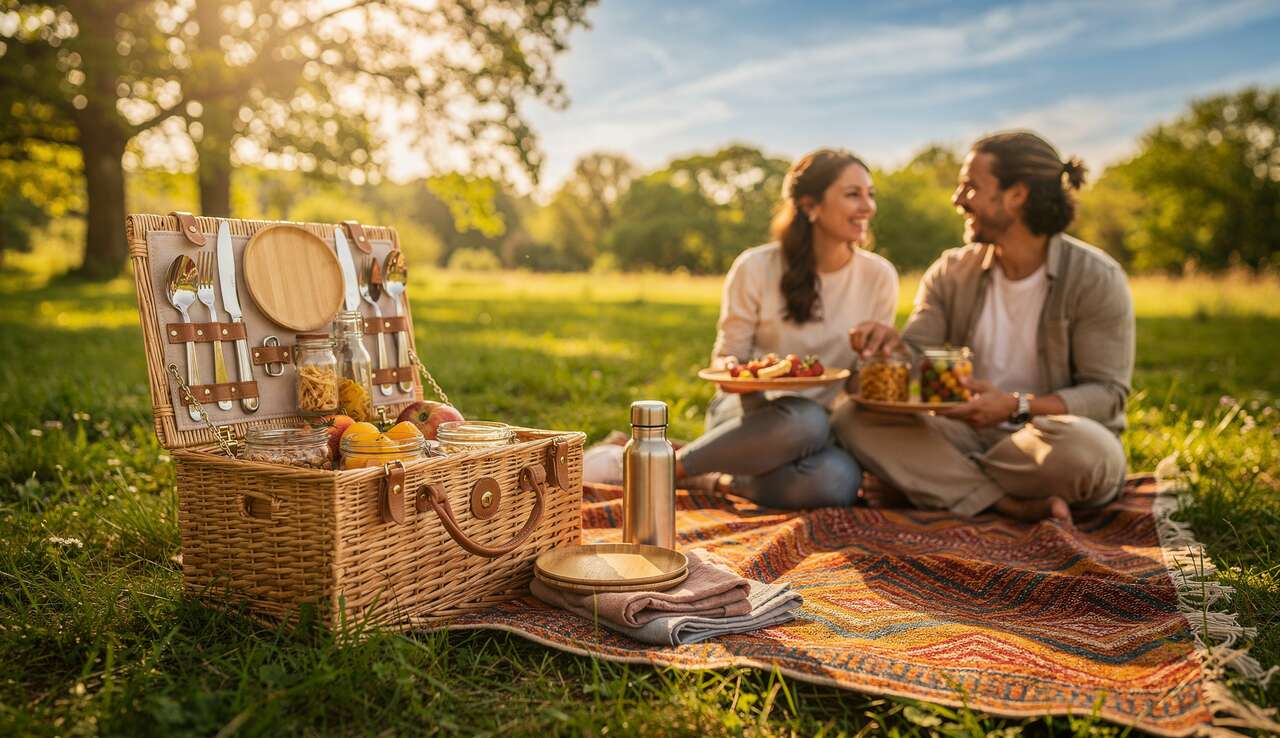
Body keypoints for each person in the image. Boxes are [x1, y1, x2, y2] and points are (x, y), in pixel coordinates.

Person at [832, 130, 1134, 526]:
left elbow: (1107, 394)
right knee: (850, 417)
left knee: (1087, 454)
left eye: (970, 187)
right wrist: (889, 350)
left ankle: (935, 482)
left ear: (1016, 195)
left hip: (1043, 439)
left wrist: (1013, 405)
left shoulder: (1096, 277)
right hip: (958, 430)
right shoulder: (952, 271)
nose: (958, 199)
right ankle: (1005, 503)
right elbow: (916, 355)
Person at [673, 148, 900, 509]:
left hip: (825, 425)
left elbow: (858, 385)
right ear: (810, 205)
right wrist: (748, 378)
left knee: (836, 483)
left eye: (870, 194)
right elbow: (727, 359)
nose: (868, 207)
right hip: (748, 413)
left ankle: (713, 477)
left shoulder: (879, 276)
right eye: (853, 194)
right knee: (803, 420)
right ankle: (662, 467)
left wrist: (875, 361)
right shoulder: (755, 266)